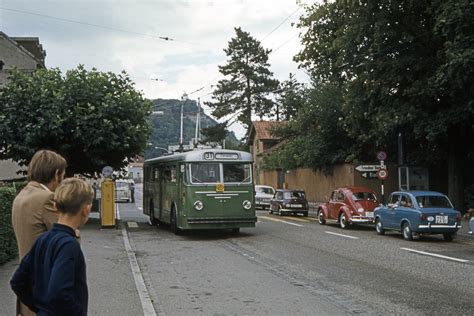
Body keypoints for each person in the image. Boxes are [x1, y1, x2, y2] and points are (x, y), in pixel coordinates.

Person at [10, 178, 94, 316]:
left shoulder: (43, 239)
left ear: (55, 206)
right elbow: (58, 292)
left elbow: (17, 281)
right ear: (86, 210)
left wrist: (38, 308)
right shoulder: (69, 245)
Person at [11, 149, 67, 316]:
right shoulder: (47, 199)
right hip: (45, 289)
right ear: (57, 174)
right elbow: (67, 238)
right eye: (63, 175)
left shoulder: (22, 195)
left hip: (27, 287)